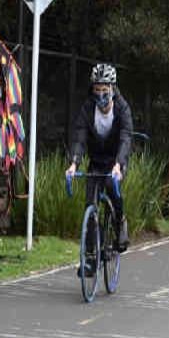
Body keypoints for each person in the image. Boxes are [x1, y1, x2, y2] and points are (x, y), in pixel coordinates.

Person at [67, 64, 132, 271]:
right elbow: (79, 136)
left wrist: (119, 165)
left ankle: (120, 221)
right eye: (97, 90)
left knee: (112, 189)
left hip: (115, 162)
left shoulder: (122, 108)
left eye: (105, 90)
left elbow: (125, 138)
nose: (101, 95)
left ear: (113, 89)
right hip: (96, 161)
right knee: (90, 204)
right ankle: (90, 258)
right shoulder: (88, 108)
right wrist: (74, 163)